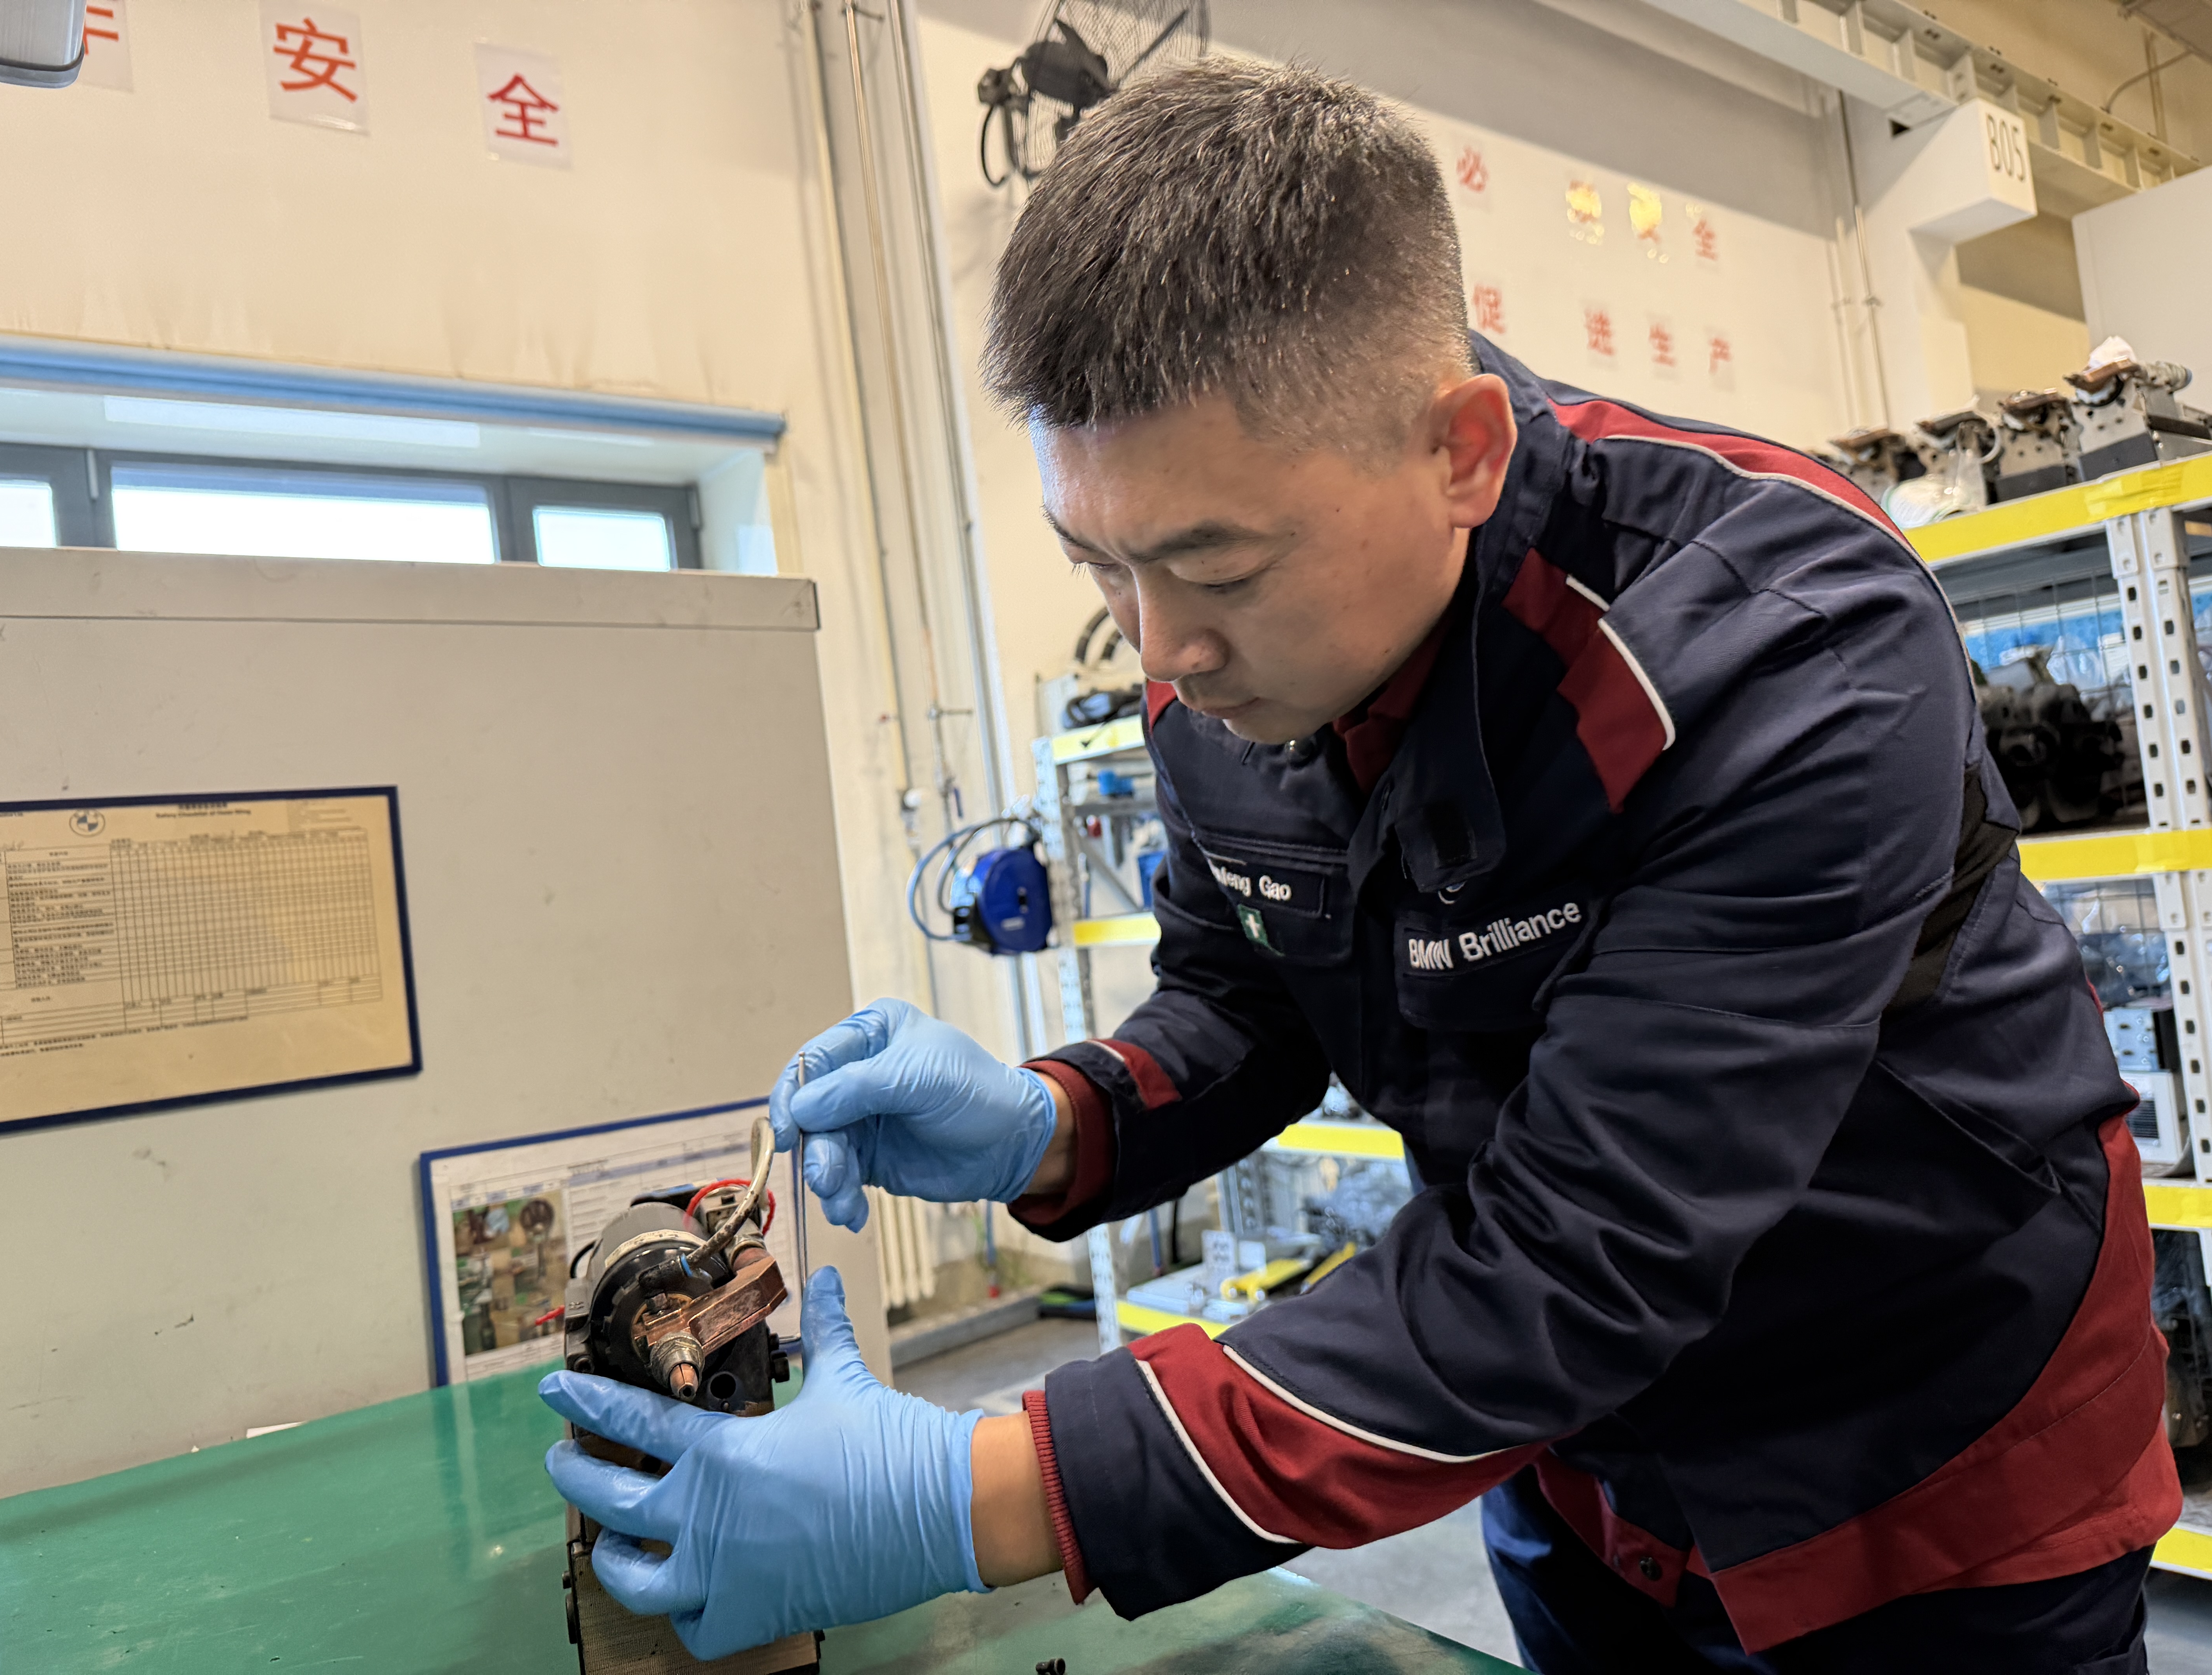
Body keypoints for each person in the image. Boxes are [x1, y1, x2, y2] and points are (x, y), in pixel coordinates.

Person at [540, 60, 2175, 1673]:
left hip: (1921, 1455)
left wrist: (977, 1495)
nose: (1159, 645)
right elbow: (1251, 1001)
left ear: (1461, 451)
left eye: (1217, 566)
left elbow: (1582, 1253)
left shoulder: (1781, 645)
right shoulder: (1217, 672)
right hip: (1577, 1458)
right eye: (1096, 561)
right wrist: (1059, 1117)